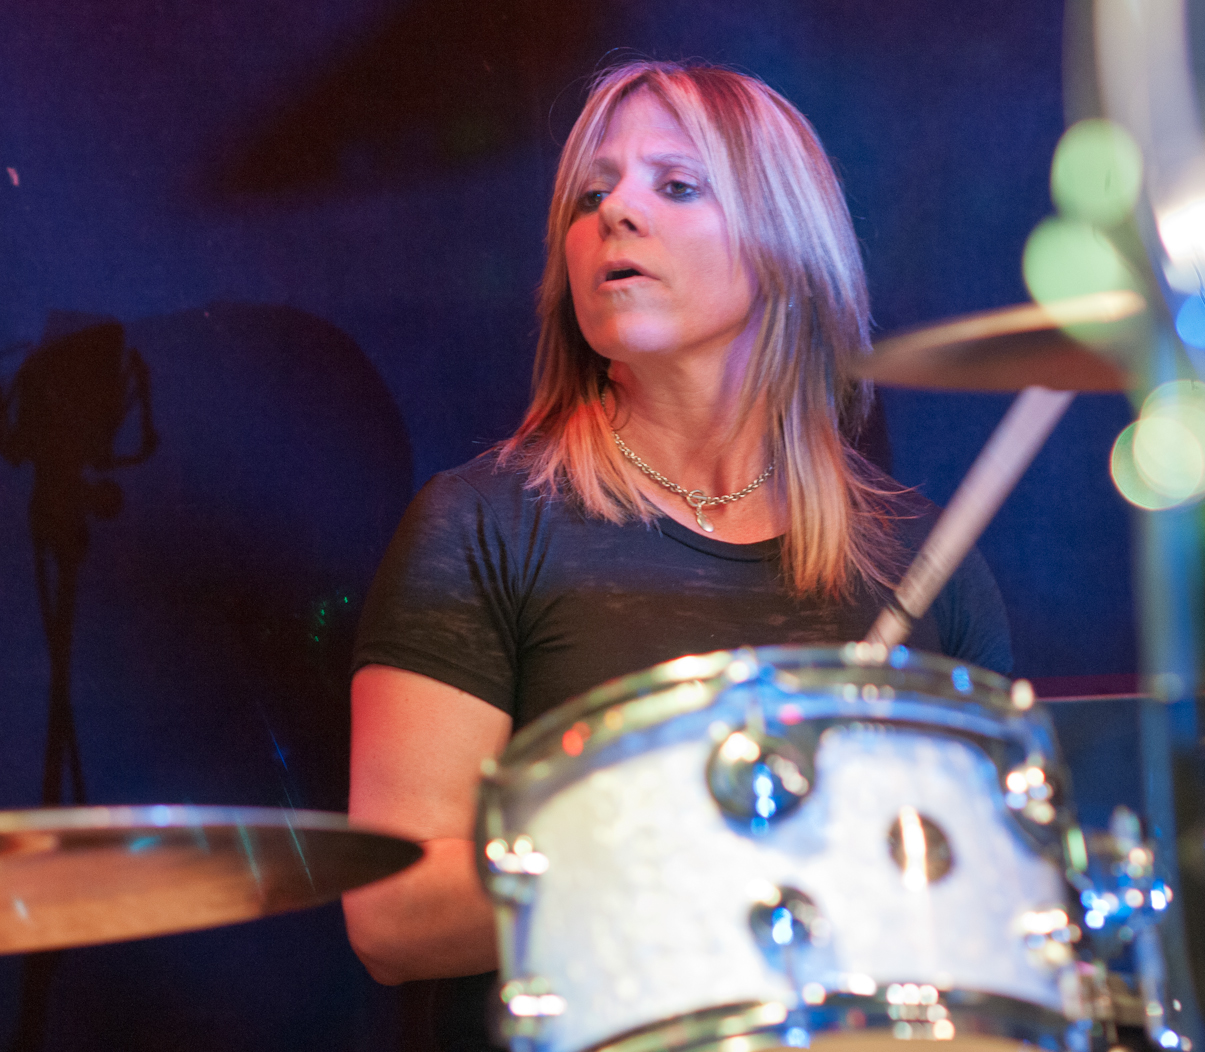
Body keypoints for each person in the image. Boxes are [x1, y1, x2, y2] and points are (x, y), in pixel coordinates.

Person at [343, 60, 1013, 1049]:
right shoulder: (481, 524)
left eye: (676, 184)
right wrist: (694, 838)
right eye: (591, 191)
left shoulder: (921, 560)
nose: (616, 212)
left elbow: (991, 914)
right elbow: (392, 916)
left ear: (786, 239)